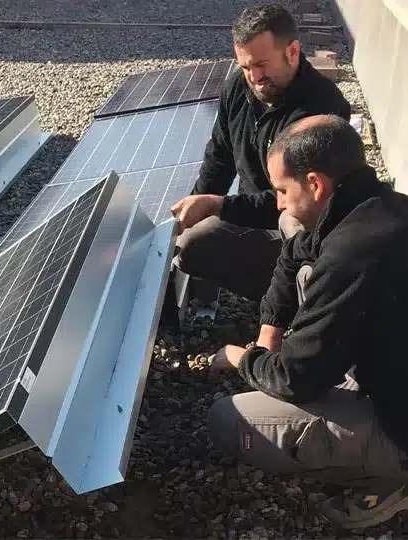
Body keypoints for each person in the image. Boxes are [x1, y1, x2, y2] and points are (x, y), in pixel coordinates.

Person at [207, 114, 408, 530]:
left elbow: (296, 379)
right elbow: (296, 250)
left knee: (228, 421)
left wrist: (244, 358)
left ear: (315, 183)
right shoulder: (379, 207)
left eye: (282, 190)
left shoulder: (352, 255)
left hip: (401, 424)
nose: (277, 202)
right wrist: (270, 326)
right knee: (303, 269)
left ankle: (390, 480)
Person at [170, 3, 351, 302]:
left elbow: (293, 202)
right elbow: (219, 157)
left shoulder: (319, 111)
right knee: (188, 239)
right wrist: (192, 211)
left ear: (292, 52)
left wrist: (217, 206)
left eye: (262, 65)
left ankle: (297, 302)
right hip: (253, 212)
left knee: (195, 246)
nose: (254, 77)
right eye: (245, 66)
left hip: (300, 226)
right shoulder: (238, 89)